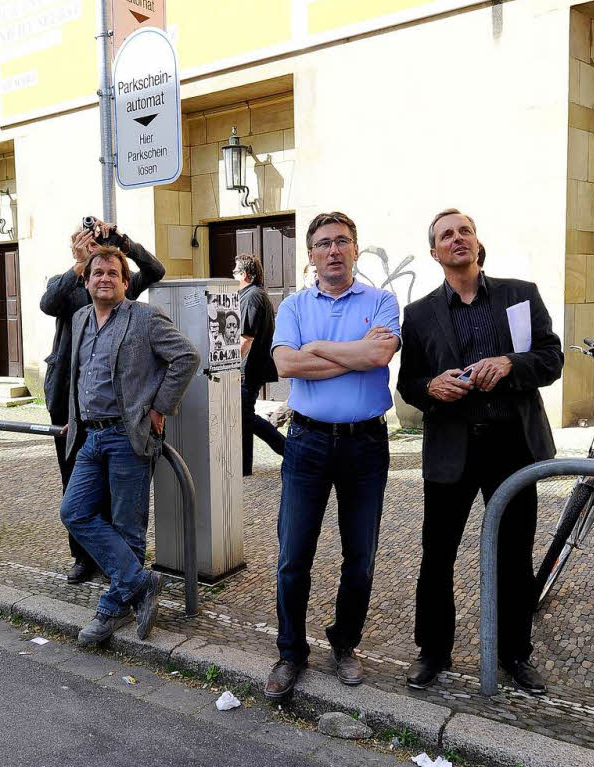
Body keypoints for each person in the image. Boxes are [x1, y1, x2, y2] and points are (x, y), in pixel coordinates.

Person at [397, 209, 563, 694]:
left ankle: (514, 654)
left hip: (514, 444)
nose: (457, 239)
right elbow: (408, 383)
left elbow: (551, 358)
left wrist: (510, 363)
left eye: (464, 230)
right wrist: (433, 385)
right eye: (446, 235)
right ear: (435, 252)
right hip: (452, 447)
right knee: (437, 553)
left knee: (514, 554)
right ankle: (433, 651)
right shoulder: (420, 313)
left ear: (476, 240)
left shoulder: (519, 295)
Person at [264, 212, 401, 698]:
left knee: (360, 556)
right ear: (312, 255)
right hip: (307, 442)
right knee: (292, 554)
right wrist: (349, 351)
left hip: (366, 443)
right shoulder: (294, 306)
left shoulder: (382, 300)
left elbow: (378, 357)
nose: (334, 251)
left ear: (355, 249)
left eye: (342, 241)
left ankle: (345, 643)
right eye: (324, 244)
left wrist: (318, 350)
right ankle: (289, 652)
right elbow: (285, 363)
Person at [60, 246, 199, 645]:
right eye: (97, 272)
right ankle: (140, 583)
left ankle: (111, 609)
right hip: (90, 435)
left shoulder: (143, 316)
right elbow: (80, 372)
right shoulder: (80, 317)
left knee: (127, 526)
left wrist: (159, 408)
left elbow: (185, 358)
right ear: (86, 281)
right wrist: (76, 412)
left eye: (112, 273)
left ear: (125, 281)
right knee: (75, 512)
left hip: (128, 435)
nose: (104, 278)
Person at [41, 219, 166, 584]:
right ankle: (83, 557)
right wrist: (79, 264)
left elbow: (155, 270)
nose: (102, 274)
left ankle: (117, 562)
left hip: (113, 404)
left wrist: (124, 243)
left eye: (101, 241)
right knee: (74, 483)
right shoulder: (67, 282)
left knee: (116, 486)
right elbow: (48, 304)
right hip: (68, 395)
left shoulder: (118, 281)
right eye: (89, 242)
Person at [234, 254, 285, 476]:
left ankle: (289, 450)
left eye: (235, 272)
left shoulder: (251, 296)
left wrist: (230, 365)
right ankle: (244, 467)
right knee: (243, 417)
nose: (233, 276)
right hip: (251, 368)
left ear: (245, 274)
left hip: (250, 369)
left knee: (245, 416)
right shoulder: (253, 295)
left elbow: (246, 337)